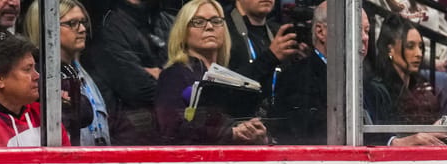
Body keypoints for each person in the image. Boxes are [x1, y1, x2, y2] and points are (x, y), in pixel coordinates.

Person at [154, 0, 267, 145]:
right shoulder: (174, 75)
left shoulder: (230, 77)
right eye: (198, 22)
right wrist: (230, 133)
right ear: (182, 32)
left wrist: (259, 134)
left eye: (216, 20)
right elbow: (171, 130)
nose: (209, 27)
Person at [268, 2, 370, 144]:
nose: (364, 38)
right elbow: (308, 138)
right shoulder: (296, 80)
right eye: (356, 29)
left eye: (367, 31)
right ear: (321, 32)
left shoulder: (370, 83)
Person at [23, 0, 110, 145]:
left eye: (82, 22)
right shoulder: (38, 79)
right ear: (47, 26)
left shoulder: (81, 72)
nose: (82, 29)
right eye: (72, 23)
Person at [88, 0, 175, 144]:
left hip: (170, 132)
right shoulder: (111, 28)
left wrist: (166, 77)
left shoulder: (169, 22)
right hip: (132, 137)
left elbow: (188, 77)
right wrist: (172, 80)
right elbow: (138, 89)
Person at [364, 14, 446, 146]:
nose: (418, 53)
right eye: (410, 46)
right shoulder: (377, 89)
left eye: (420, 46)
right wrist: (428, 133)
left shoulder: (423, 85)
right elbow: (382, 138)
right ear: (390, 49)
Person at [225, 0, 307, 99]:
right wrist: (271, 57)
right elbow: (225, 88)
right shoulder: (221, 30)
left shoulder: (280, 32)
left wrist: (304, 62)